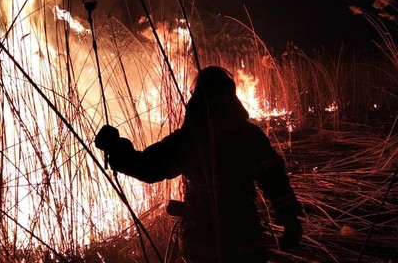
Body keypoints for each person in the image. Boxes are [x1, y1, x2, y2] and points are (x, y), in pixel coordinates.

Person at [95, 66, 302, 262]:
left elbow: (148, 168)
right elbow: (276, 182)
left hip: (202, 242)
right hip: (244, 237)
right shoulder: (249, 136)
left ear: (197, 99)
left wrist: (115, 149)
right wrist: (291, 221)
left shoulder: (189, 140)